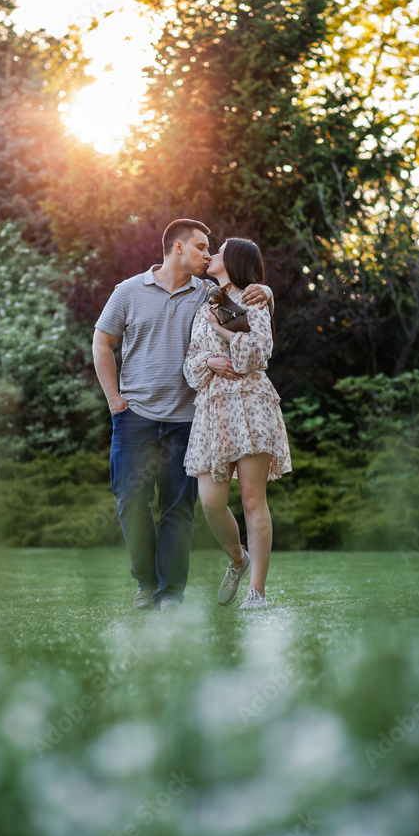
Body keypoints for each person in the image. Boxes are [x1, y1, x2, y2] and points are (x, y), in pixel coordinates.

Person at [92, 220, 273, 613]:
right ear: (177, 247)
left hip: (188, 420)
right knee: (129, 498)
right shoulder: (128, 291)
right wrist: (114, 401)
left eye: (212, 250)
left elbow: (248, 311)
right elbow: (102, 342)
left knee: (178, 508)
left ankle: (170, 594)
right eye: (202, 248)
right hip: (134, 414)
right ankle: (146, 581)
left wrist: (268, 290)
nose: (208, 255)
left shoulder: (208, 294)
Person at [183, 238, 292, 610]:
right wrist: (209, 363)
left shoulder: (253, 298)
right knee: (210, 502)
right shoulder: (204, 307)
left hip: (251, 403)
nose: (211, 253)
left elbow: (260, 352)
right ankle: (237, 559)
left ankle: (257, 593)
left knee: (251, 498)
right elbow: (192, 362)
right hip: (213, 407)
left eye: (220, 248)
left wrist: (227, 334)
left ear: (235, 259)